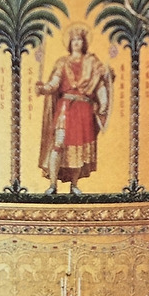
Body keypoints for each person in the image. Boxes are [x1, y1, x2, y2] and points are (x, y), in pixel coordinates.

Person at [36, 22, 113, 194]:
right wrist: (44, 88)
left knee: (79, 149)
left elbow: (100, 85)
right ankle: (53, 185)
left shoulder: (92, 62)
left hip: (83, 110)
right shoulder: (62, 63)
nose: (76, 42)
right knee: (58, 144)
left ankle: (74, 184)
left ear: (84, 42)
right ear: (69, 43)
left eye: (79, 39)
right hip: (65, 109)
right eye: (74, 40)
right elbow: (55, 83)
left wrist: (103, 103)